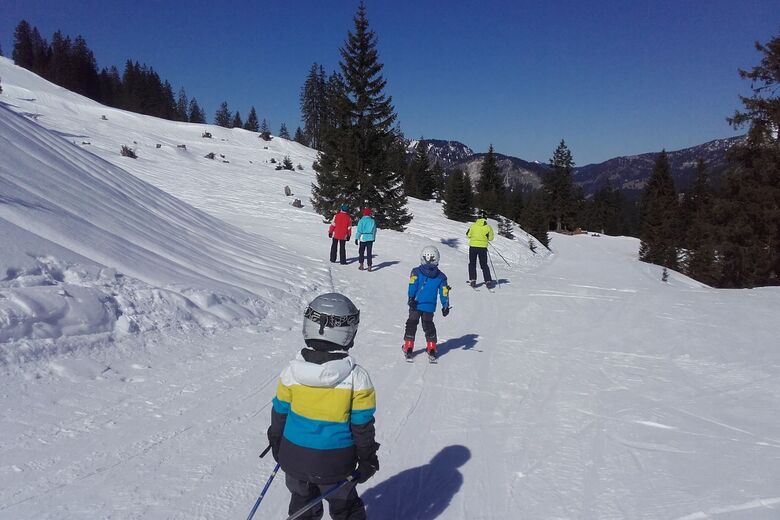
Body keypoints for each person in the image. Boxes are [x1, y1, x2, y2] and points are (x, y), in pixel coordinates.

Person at [268, 292, 379, 520]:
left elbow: (280, 413)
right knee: (345, 507)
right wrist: (367, 458)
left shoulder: (291, 372)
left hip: (294, 457)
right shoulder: (356, 378)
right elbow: (362, 426)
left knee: (302, 504)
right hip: (336, 463)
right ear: (348, 332)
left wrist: (276, 441)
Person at [403, 246, 451, 360]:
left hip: (416, 303)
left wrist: (410, 297)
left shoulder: (416, 272)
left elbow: (412, 285)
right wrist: (445, 305)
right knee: (428, 325)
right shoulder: (441, 277)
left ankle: (408, 346)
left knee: (412, 323)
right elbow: (444, 291)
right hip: (429, 306)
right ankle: (432, 347)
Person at [466, 211, 495, 288]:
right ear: (485, 217)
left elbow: (468, 235)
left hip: (473, 247)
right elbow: (491, 238)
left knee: (472, 263)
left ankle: (473, 280)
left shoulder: (473, 226)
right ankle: (488, 280)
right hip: (482, 248)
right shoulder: (488, 227)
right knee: (484, 264)